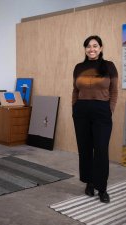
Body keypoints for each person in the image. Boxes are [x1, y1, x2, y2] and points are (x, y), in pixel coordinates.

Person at [72, 35, 118, 203]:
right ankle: (89, 183)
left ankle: (102, 188)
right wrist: (74, 108)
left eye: (95, 46)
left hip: (102, 111)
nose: (91, 49)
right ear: (85, 49)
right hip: (81, 111)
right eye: (88, 46)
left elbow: (114, 91)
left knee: (100, 149)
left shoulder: (109, 66)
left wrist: (109, 109)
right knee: (85, 149)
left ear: (101, 48)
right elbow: (75, 90)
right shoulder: (78, 67)